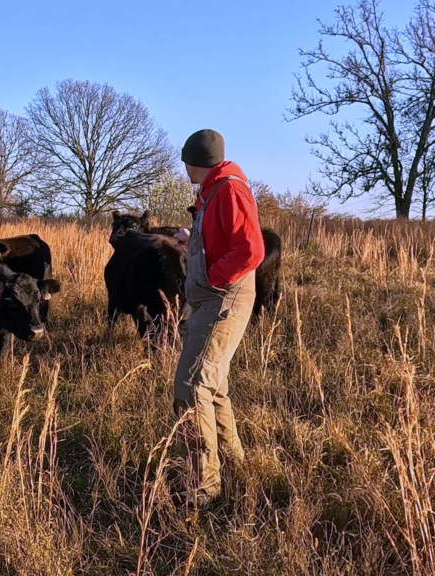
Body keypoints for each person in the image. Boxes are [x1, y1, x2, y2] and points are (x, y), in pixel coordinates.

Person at [173, 129, 265, 507]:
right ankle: (233, 465)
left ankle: (203, 487)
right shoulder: (210, 190)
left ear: (195, 161)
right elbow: (223, 241)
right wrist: (189, 238)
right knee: (215, 388)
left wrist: (212, 279)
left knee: (192, 388)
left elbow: (251, 250)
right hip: (213, 300)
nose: (184, 169)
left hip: (223, 299)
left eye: (185, 161)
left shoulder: (229, 190)